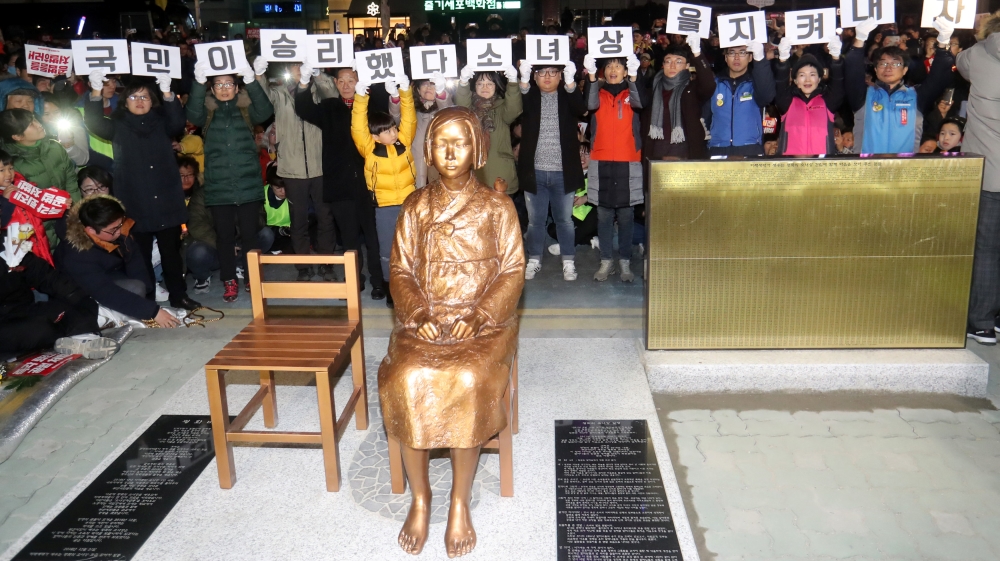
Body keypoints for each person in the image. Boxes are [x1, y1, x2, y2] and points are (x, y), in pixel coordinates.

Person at [379, 107, 523, 558]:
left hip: (482, 323)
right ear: (428, 150)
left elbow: (513, 269)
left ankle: (459, 501)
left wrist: (480, 315)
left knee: (466, 377)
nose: (450, 152)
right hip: (424, 319)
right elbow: (400, 269)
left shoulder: (498, 207)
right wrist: (417, 311)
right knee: (408, 377)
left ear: (477, 149)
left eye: (460, 142)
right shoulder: (416, 206)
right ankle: (421, 499)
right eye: (441, 143)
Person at [84, 72, 199, 311]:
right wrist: (95, 92)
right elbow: (94, 123)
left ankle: (179, 295)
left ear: (152, 100)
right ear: (124, 101)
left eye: (145, 97)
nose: (139, 101)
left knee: (171, 252)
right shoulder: (117, 124)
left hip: (166, 197)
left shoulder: (162, 120)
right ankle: (147, 301)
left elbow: (178, 123)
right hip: (135, 199)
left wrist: (167, 92)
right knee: (140, 255)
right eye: (134, 97)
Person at [295, 67, 386, 301]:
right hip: (340, 184)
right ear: (335, 83)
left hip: (371, 184)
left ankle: (379, 282)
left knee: (374, 238)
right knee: (349, 239)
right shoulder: (330, 107)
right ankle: (354, 280)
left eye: (351, 80)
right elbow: (303, 109)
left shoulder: (370, 106)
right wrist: (304, 81)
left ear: (359, 81)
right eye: (342, 81)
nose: (346, 85)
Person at [186, 62, 274, 303]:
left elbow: (265, 111)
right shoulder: (207, 112)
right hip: (218, 187)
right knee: (223, 237)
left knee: (250, 235)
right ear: (212, 89)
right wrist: (197, 84)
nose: (224, 89)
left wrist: (252, 81)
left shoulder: (246, 109)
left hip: (248, 185)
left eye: (228, 84)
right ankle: (229, 280)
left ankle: (252, 277)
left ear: (236, 87)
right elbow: (192, 114)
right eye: (218, 84)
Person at [254, 58, 338, 282]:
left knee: (325, 218)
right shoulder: (280, 92)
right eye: (295, 65)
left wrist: (317, 73)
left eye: (303, 64)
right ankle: (303, 266)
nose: (299, 69)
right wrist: (259, 74)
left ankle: (327, 263)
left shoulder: (318, 90)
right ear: (288, 68)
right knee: (298, 221)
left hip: (320, 165)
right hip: (291, 168)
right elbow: (261, 95)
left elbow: (333, 93)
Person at [59, 196, 180, 328]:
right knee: (134, 289)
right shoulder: (77, 254)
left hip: (112, 276)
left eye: (120, 225)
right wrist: (153, 312)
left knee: (139, 287)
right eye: (113, 230)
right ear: (90, 230)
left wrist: (147, 300)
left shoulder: (118, 230)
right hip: (83, 294)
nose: (119, 232)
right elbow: (104, 291)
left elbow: (137, 265)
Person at [516, 59, 585, 282]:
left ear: (560, 75)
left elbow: (582, 108)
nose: (547, 76)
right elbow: (519, 100)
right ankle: (534, 259)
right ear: (535, 76)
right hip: (534, 171)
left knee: (564, 220)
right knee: (535, 221)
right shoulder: (530, 96)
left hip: (563, 172)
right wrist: (523, 80)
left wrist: (571, 83)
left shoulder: (567, 95)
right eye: (542, 72)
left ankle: (568, 261)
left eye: (553, 72)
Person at [351, 75, 416, 308]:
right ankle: (390, 289)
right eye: (387, 131)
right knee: (388, 251)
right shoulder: (369, 149)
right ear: (375, 136)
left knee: (411, 248)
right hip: (385, 208)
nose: (393, 133)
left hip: (409, 204)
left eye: (393, 128)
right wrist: (360, 96)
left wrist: (405, 92)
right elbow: (358, 125)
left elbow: (409, 118)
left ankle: (411, 287)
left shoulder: (404, 142)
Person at [846, 18, 956, 154]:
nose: (888, 68)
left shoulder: (916, 96)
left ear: (905, 70)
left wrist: (943, 43)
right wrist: (859, 40)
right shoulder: (864, 96)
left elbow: (938, 77)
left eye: (895, 64)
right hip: (868, 166)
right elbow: (852, 72)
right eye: (883, 63)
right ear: (875, 69)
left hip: (904, 166)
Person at [956, 11, 1000, 343]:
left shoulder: (979, 54)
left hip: (990, 174)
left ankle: (982, 322)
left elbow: (959, 62)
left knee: (986, 248)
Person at [584, 53, 644, 282]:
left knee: (627, 215)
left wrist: (635, 77)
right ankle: (606, 261)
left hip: (628, 159)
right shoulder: (597, 92)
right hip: (601, 159)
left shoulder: (632, 93)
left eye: (618, 66)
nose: (613, 70)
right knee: (604, 215)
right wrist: (591, 76)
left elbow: (641, 102)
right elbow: (589, 104)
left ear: (625, 70)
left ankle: (625, 262)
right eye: (609, 65)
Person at [180, 156, 279, 295]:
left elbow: (261, 217)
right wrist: (223, 244)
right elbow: (196, 225)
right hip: (214, 245)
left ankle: (241, 265)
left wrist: (244, 217)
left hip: (241, 241)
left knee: (266, 234)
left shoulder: (246, 191)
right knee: (198, 252)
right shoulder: (202, 195)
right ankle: (202, 277)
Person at [0, 221, 100, 357]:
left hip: (20, 309)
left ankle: (85, 338)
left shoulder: (7, 242)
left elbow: (42, 274)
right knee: (39, 329)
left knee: (77, 304)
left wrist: (75, 294)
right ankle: (72, 337)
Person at [0, 108, 80, 247]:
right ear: (18, 136)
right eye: (31, 124)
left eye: (35, 119)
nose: (38, 124)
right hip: (41, 228)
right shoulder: (12, 165)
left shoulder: (55, 148)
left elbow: (71, 181)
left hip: (68, 216)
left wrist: (77, 209)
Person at [643, 34, 715, 161]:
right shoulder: (653, 88)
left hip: (686, 149)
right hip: (657, 149)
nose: (672, 66)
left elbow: (709, 85)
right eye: (668, 61)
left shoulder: (692, 88)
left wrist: (697, 54)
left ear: (687, 66)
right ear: (663, 64)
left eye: (678, 61)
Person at [455, 65, 522, 196]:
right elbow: (461, 107)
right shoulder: (470, 110)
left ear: (496, 86)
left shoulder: (502, 107)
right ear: (474, 86)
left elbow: (514, 109)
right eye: (480, 83)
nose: (485, 87)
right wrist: (463, 83)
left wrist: (513, 82)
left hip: (500, 173)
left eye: (489, 84)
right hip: (474, 173)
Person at [773, 38, 844, 155]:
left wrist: (836, 59)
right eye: (802, 75)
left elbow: (838, 82)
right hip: (791, 163)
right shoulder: (787, 102)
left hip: (821, 163)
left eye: (812, 74)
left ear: (819, 79)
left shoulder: (828, 101)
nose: (807, 80)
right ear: (795, 80)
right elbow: (780, 83)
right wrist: (783, 60)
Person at [707, 40, 775, 156]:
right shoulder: (715, 84)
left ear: (750, 57)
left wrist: (760, 60)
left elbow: (767, 96)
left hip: (750, 148)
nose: (737, 57)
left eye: (743, 52)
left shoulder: (756, 84)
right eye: (732, 52)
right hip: (718, 149)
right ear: (726, 57)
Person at [389, 73, 453, 188]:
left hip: (440, 162)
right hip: (414, 162)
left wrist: (441, 93)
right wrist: (395, 98)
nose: (429, 87)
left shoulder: (444, 109)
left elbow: (448, 113)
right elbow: (395, 119)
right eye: (424, 84)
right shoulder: (411, 110)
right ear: (418, 90)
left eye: (433, 84)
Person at [40, 92, 89, 167]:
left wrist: (69, 147)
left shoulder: (73, 128)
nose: (53, 117)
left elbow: (83, 160)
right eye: (46, 114)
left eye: (56, 112)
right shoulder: (35, 132)